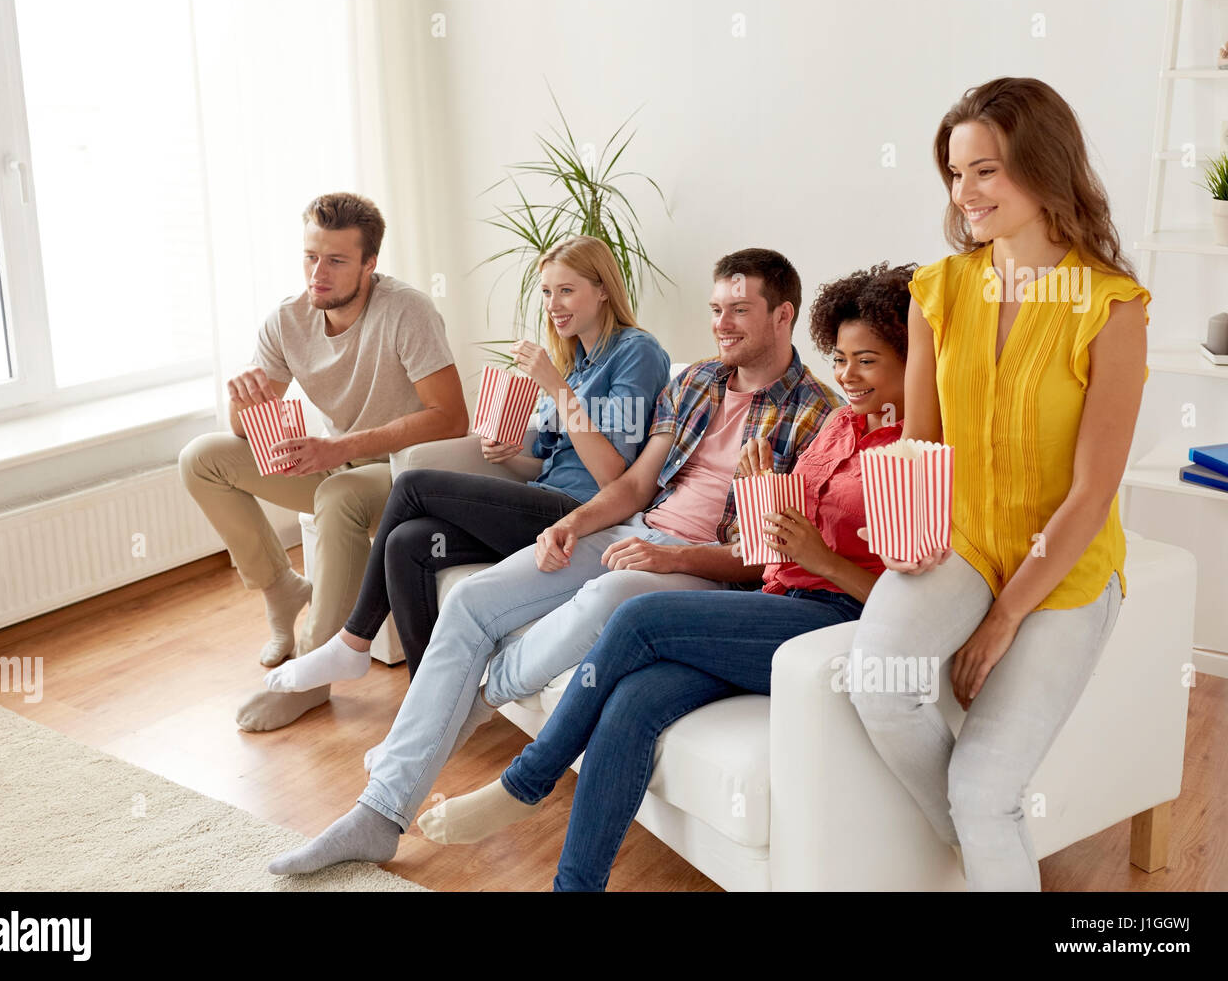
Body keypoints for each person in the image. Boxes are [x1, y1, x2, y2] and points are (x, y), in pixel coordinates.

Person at [265, 247, 842, 874]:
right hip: (633, 528)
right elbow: (635, 485)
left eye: (740, 311)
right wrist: (570, 523)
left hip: (698, 572)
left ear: (783, 315)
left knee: (607, 598)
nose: (722, 324)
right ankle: (377, 815)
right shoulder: (697, 380)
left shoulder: (818, 416)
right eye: (715, 310)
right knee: (468, 600)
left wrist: (668, 558)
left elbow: (766, 559)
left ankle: (481, 692)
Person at [415, 262, 915, 890]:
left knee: (636, 615)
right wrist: (761, 497)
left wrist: (820, 560)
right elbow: (769, 544)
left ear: (914, 364)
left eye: (866, 361)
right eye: (841, 358)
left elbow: (904, 598)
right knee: (631, 703)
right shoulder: (841, 424)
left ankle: (527, 780)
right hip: (773, 597)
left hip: (827, 620)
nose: (847, 376)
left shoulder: (914, 452)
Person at [848, 77, 1150, 891]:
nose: (965, 193)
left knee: (986, 790)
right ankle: (989, 848)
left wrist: (1004, 620)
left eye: (986, 170)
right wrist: (902, 529)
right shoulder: (937, 292)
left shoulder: (1112, 308)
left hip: (1066, 563)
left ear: (1045, 169)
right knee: (877, 681)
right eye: (955, 173)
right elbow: (922, 441)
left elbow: (1092, 493)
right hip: (965, 539)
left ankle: (988, 828)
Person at [261, 234, 671, 689]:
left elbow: (613, 476)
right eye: (547, 292)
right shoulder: (575, 361)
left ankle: (353, 641)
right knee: (408, 543)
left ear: (603, 289)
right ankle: (431, 694)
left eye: (567, 290)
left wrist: (555, 387)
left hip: (586, 517)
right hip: (543, 502)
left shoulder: (636, 352)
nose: (554, 304)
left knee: (414, 484)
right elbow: (551, 464)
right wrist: (510, 458)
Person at [178, 192, 468, 732]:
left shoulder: (407, 312)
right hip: (340, 460)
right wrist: (244, 404)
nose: (319, 273)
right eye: (311, 257)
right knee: (203, 458)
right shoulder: (287, 321)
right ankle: (280, 587)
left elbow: (451, 418)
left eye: (336, 260)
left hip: (408, 469)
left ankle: (313, 677)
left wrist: (342, 449)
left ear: (369, 265)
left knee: (338, 494)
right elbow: (248, 430)